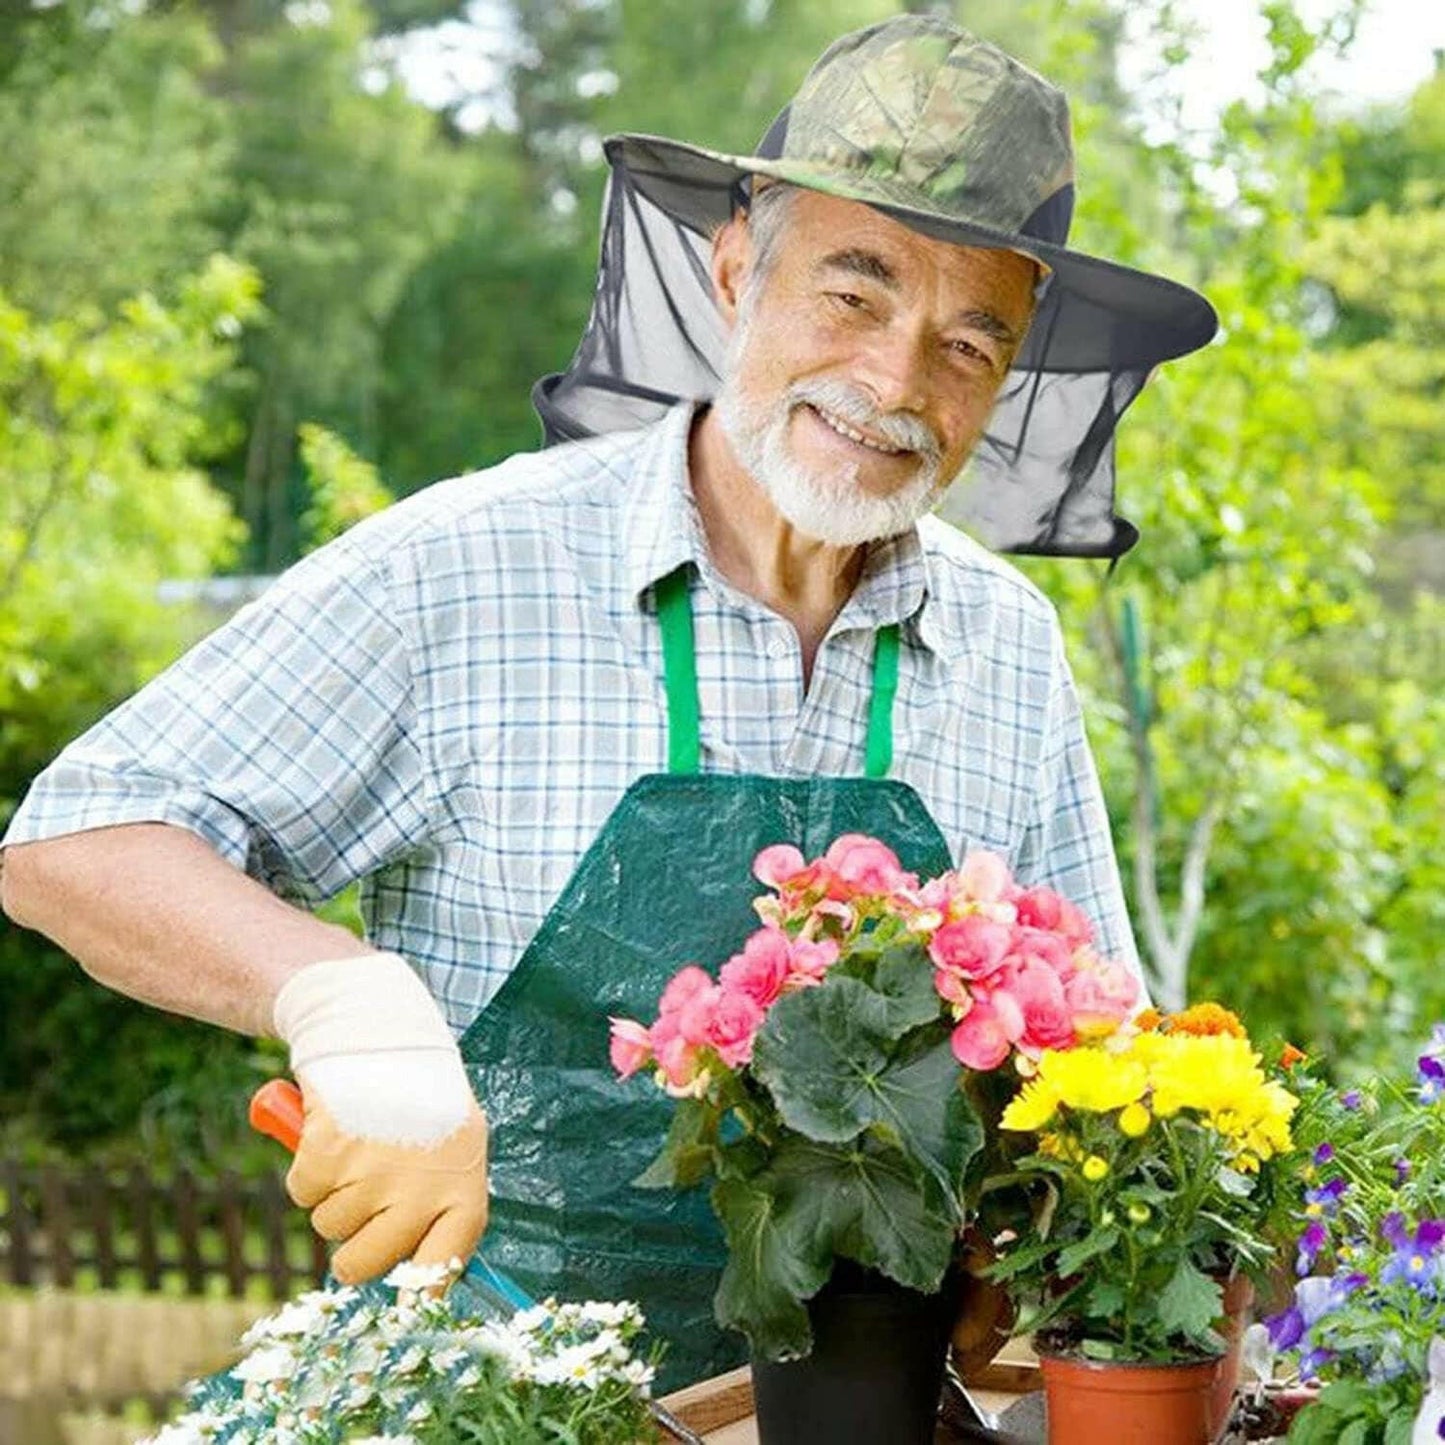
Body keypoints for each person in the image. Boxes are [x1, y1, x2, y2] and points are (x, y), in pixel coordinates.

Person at [0, 15, 1214, 1390]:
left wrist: (1065, 1232)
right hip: (479, 1396)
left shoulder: (1005, 644)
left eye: (964, 342)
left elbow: (1104, 1059)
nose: (892, 382)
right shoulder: (465, 565)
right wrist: (342, 999)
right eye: (853, 293)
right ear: (735, 266)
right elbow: (78, 839)